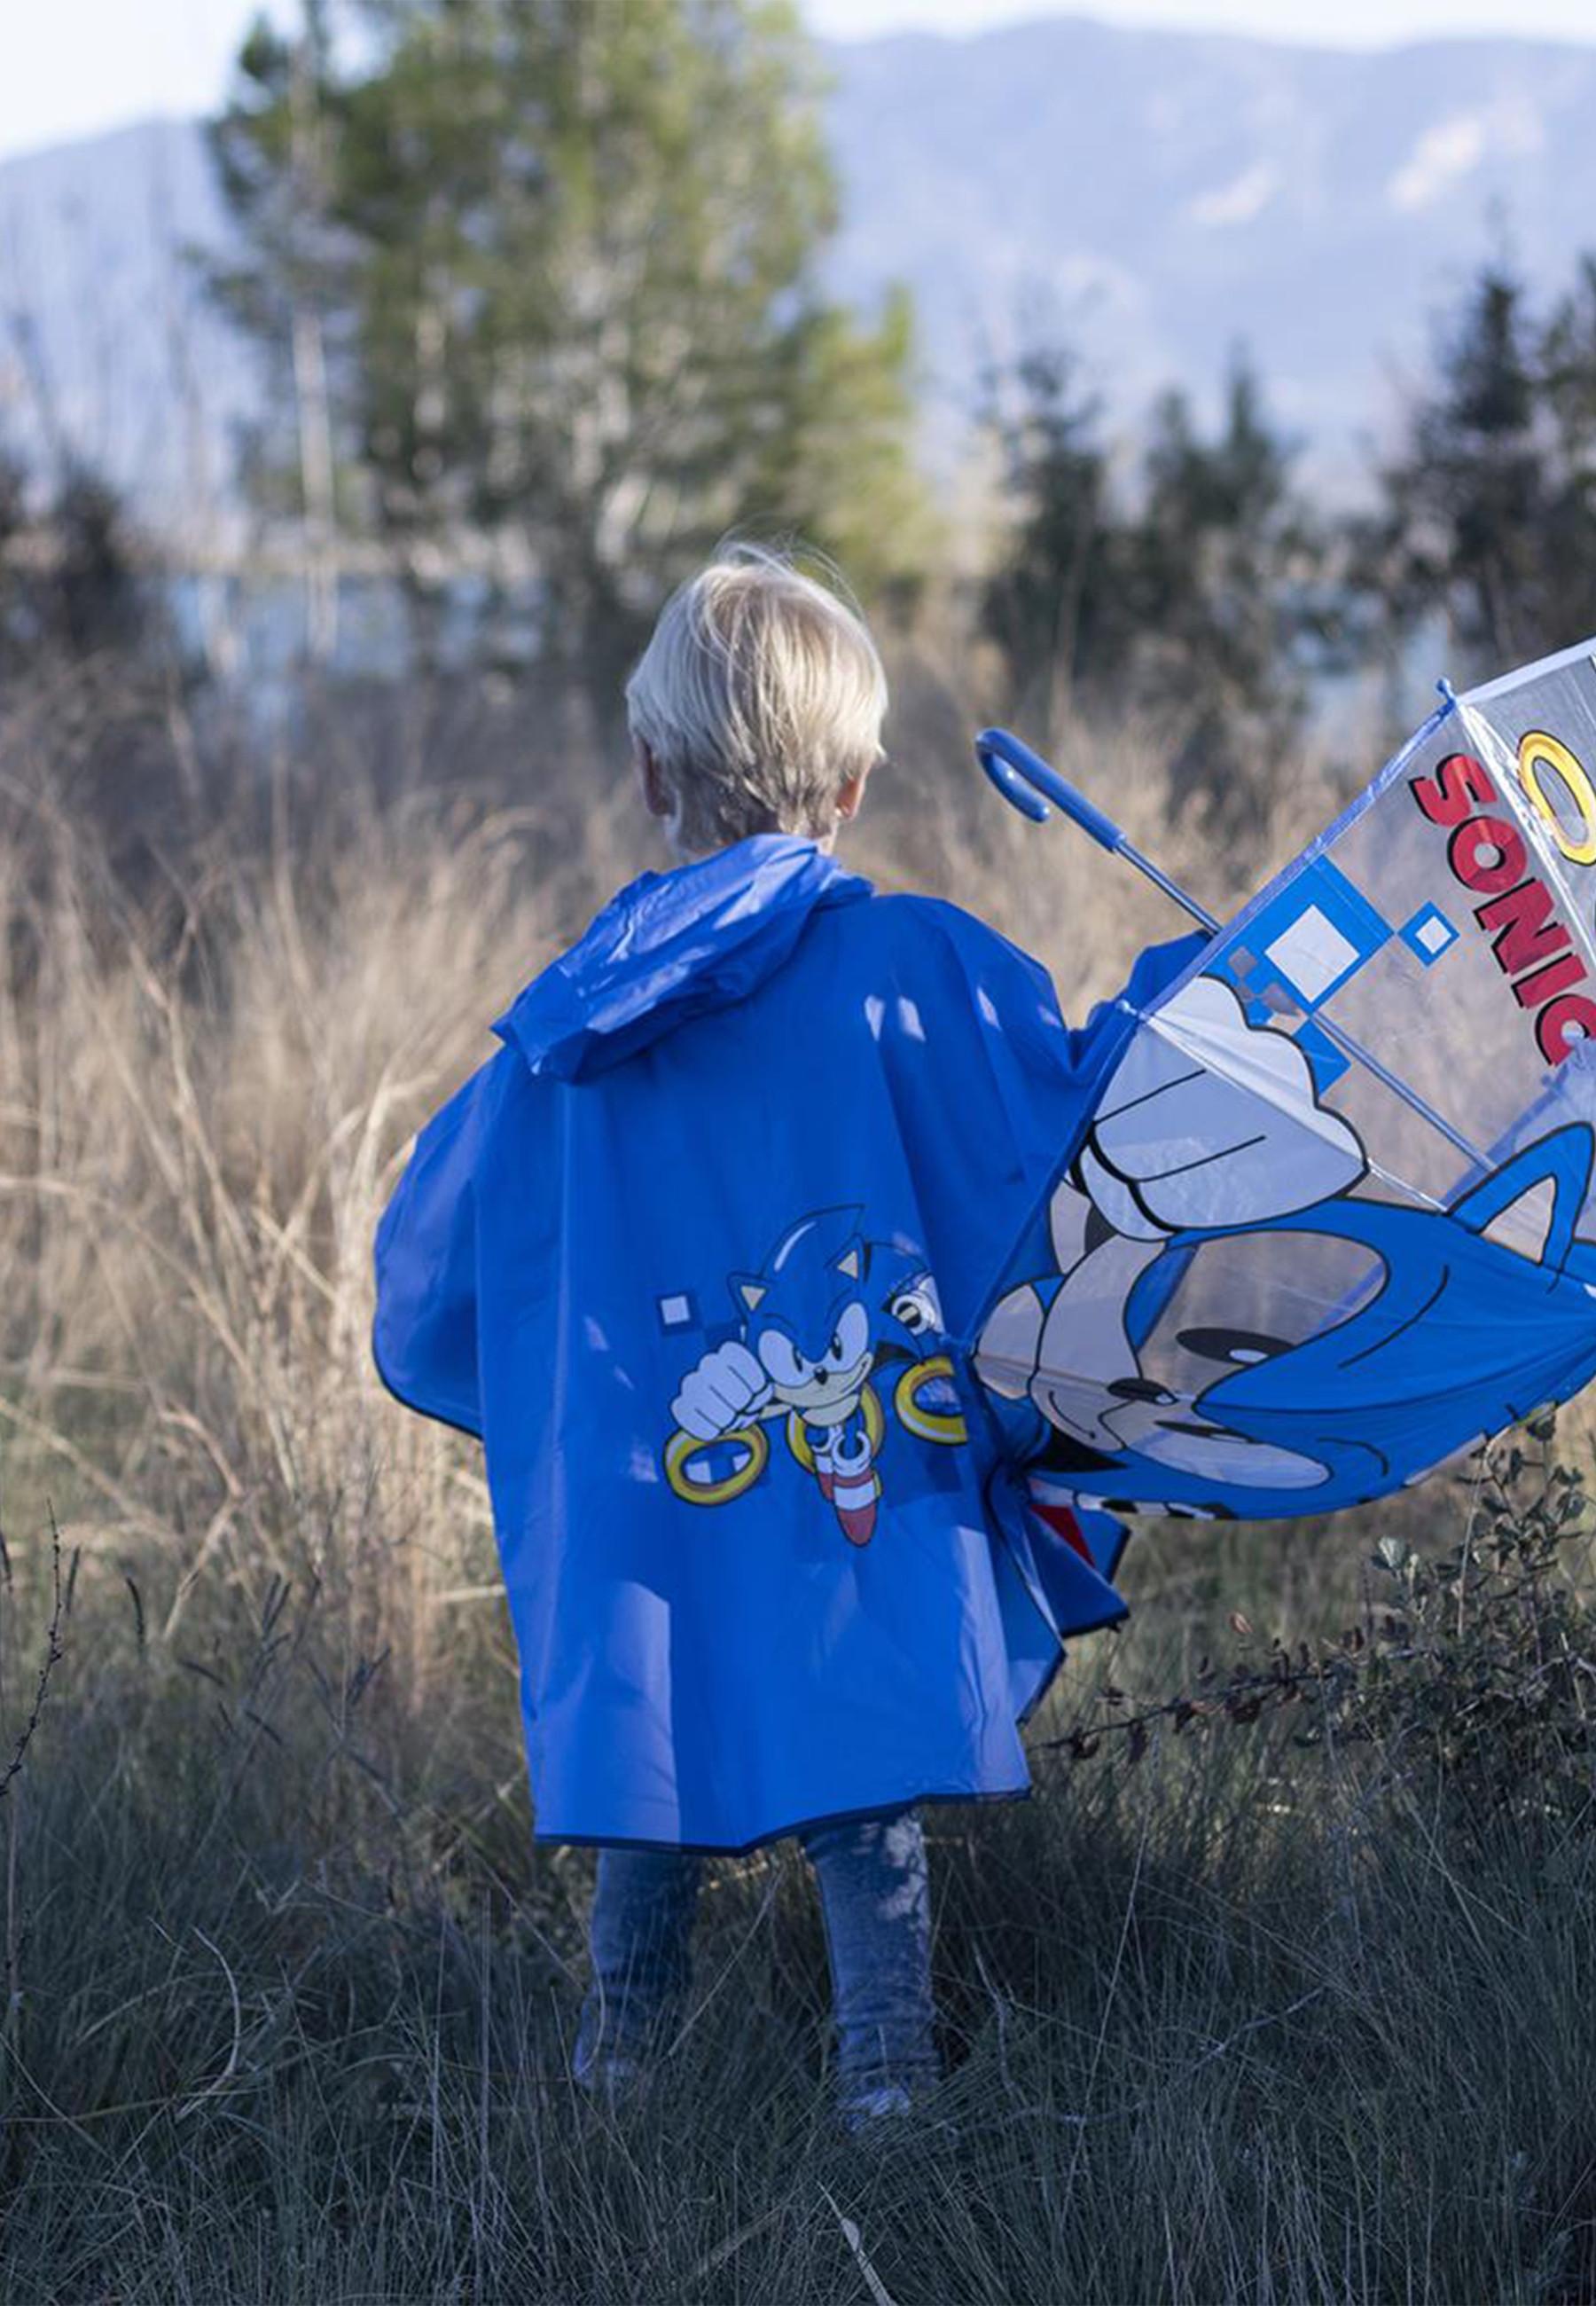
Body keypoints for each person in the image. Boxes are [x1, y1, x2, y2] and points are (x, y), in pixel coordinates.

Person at [372, 545, 1198, 2127]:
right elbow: (1060, 1117)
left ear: (646, 770)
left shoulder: (560, 1027)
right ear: (857, 780)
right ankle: (885, 2077)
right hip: (852, 1464)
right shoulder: (901, 969)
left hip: (649, 1484)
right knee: (863, 1723)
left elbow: (434, 1254)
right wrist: (1198, 999)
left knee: (648, 1730)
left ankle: (621, 2073)